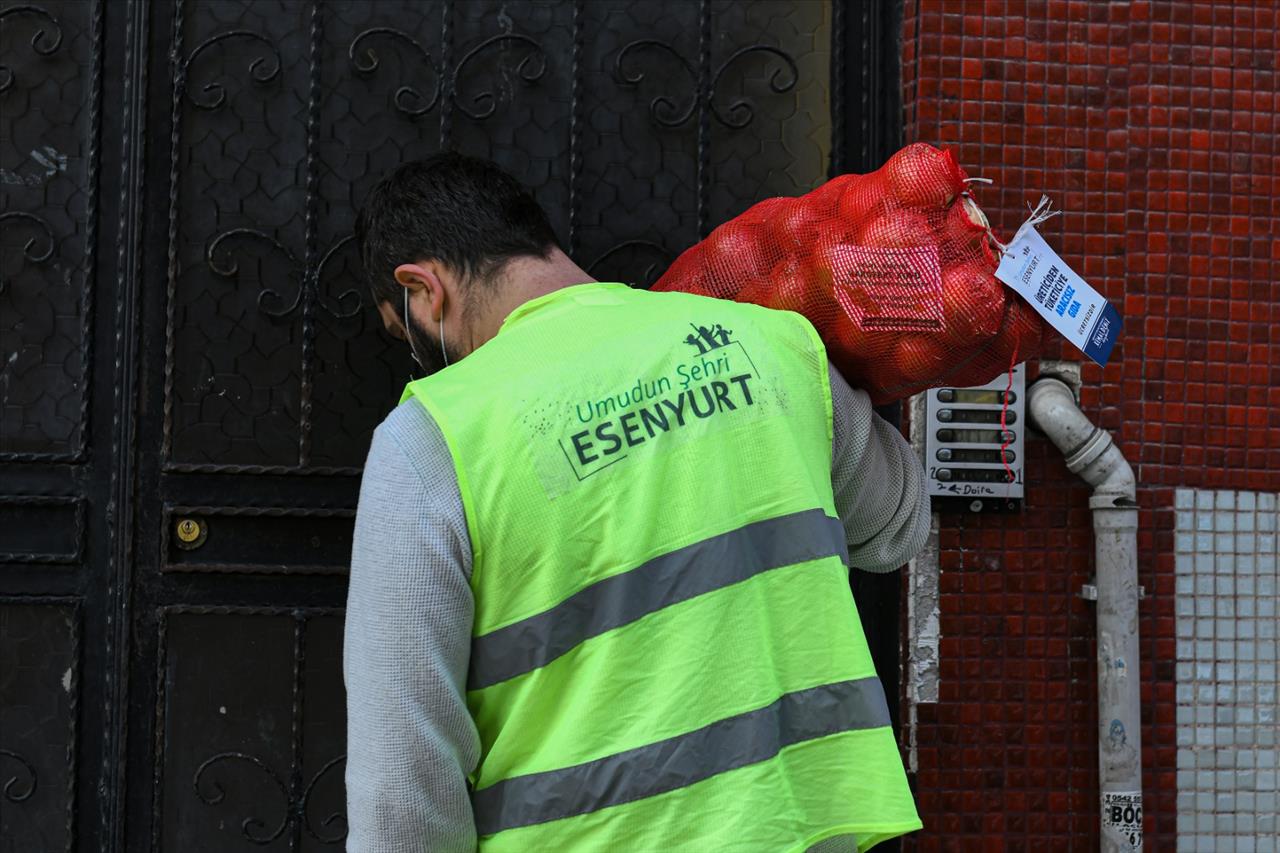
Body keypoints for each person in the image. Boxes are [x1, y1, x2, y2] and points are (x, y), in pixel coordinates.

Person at [344, 152, 931, 852]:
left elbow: (403, 792)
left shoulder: (433, 438)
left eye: (402, 332)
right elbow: (898, 525)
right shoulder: (773, 346)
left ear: (423, 289)